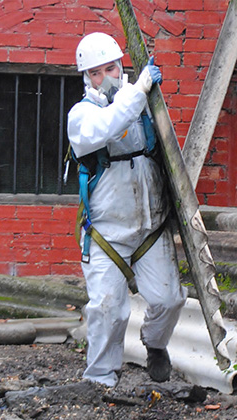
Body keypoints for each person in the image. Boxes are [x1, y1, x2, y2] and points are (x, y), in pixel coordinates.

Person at [67, 32, 187, 387]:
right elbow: (108, 126)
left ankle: (155, 344)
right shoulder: (82, 116)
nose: (106, 78)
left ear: (122, 66)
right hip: (107, 233)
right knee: (107, 310)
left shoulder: (143, 105)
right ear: (86, 78)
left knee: (170, 300)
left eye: (112, 68)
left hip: (151, 228)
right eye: (96, 73)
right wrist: (140, 89)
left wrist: (145, 94)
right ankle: (101, 379)